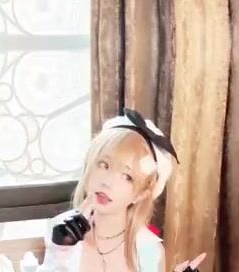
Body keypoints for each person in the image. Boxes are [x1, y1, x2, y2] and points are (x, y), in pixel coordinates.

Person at [36, 108, 206, 272]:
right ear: (89, 165)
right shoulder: (61, 231)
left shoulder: (149, 251)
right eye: (104, 165)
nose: (107, 182)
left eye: (127, 176)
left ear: (141, 194)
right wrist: (60, 253)